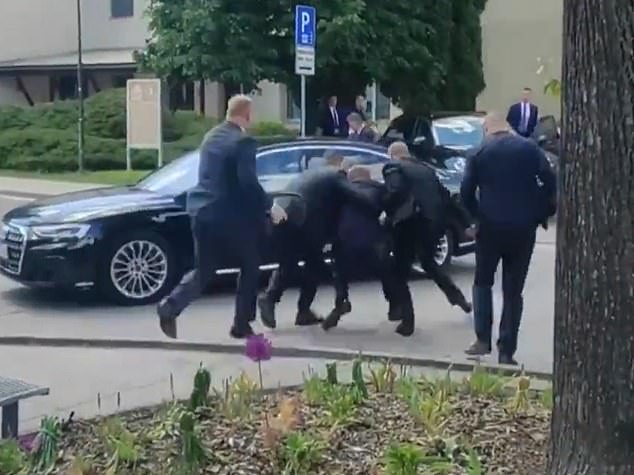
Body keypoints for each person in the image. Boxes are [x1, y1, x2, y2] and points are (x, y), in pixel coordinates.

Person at [156, 95, 287, 340]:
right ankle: (241, 324)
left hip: (202, 213)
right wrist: (270, 206)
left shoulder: (211, 136)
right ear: (247, 114)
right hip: (231, 217)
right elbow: (248, 182)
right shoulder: (243, 142)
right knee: (250, 265)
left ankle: (170, 306)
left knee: (204, 269)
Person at [460, 112, 556, 365]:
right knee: (514, 291)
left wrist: (475, 219)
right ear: (508, 127)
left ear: (487, 129)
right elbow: (549, 181)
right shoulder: (530, 149)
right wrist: (542, 212)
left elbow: (466, 192)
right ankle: (507, 350)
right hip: (523, 228)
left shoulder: (480, 153)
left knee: (483, 282)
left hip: (489, 227)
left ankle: (482, 339)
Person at [257, 152, 379, 328]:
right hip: (306, 220)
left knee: (290, 263)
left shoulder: (310, 173)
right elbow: (356, 196)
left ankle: (284, 304)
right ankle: (290, 305)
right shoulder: (336, 176)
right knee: (313, 266)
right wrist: (377, 208)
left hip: (283, 214)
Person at [383, 141, 472, 337]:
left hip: (409, 225)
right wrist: (467, 224)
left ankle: (407, 321)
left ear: (393, 155)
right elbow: (447, 198)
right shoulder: (426, 170)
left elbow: (395, 192)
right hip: (433, 225)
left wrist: (385, 210)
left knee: (398, 272)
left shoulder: (393, 167)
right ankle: (457, 297)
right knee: (429, 264)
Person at [322, 165, 402, 330]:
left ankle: (341, 301)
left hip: (345, 243)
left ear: (350, 179)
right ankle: (395, 306)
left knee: (339, 274)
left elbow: (331, 217)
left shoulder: (341, 193)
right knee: (388, 272)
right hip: (374, 243)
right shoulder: (379, 190)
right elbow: (390, 211)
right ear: (369, 177)